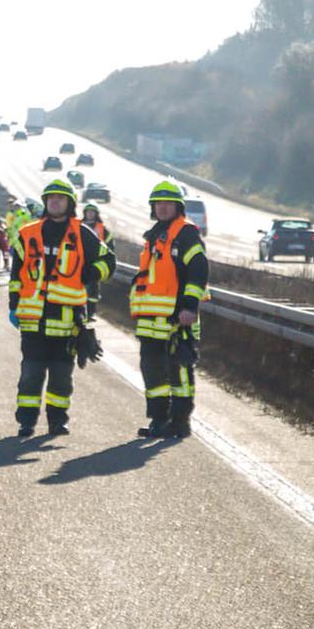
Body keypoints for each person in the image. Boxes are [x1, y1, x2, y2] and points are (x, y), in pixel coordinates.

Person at [7, 179, 114, 437]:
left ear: (70, 203)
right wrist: (13, 304)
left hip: (67, 322)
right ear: (45, 203)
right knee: (30, 374)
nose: (55, 202)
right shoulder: (28, 233)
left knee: (61, 377)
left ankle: (57, 421)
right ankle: (27, 421)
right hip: (33, 320)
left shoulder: (82, 234)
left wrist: (90, 274)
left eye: (61, 198)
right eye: (51, 198)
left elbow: (109, 261)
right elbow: (16, 274)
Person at [134, 181, 210, 439]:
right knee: (152, 370)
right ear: (153, 207)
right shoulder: (154, 235)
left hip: (178, 320)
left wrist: (189, 307)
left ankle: (180, 423)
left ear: (178, 206)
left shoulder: (186, 234)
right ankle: (159, 420)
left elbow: (199, 271)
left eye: (168, 203)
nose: (163, 207)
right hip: (151, 322)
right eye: (159, 203)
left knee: (179, 372)